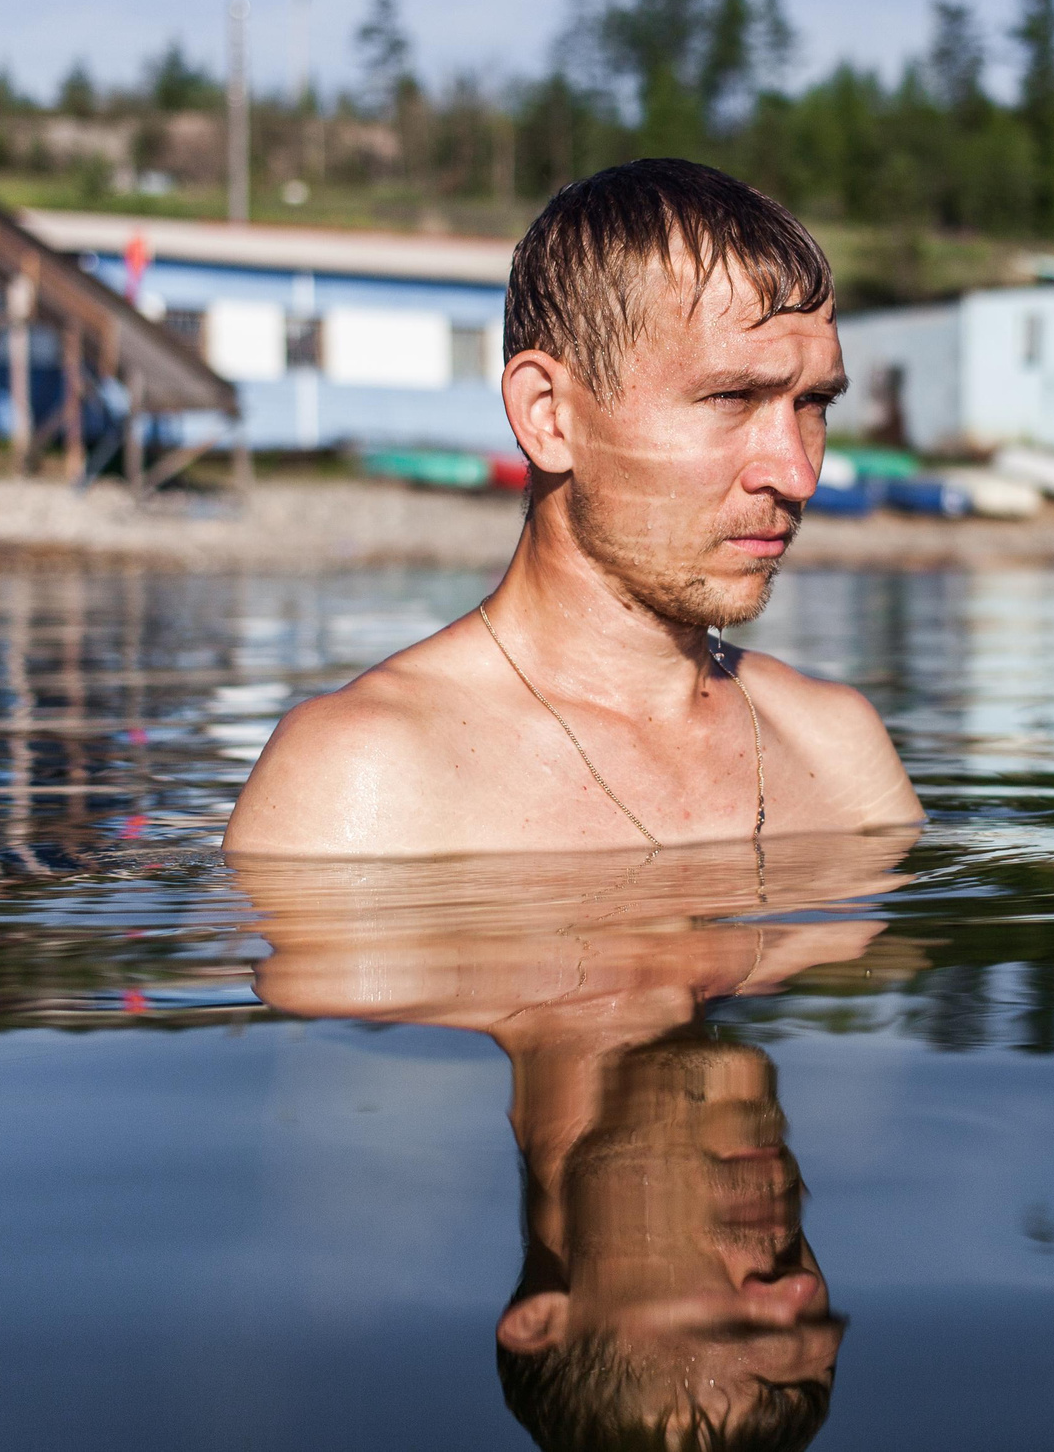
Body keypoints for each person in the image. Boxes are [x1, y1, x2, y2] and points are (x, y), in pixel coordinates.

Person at [226, 160, 923, 857]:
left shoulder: (838, 748)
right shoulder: (369, 779)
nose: (798, 474)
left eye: (812, 404)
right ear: (549, 416)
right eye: (731, 398)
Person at [236, 836, 915, 1449]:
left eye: (736, 1329)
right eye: (814, 1318)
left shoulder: (352, 959)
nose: (798, 1285)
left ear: (545, 1320)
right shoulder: (841, 896)